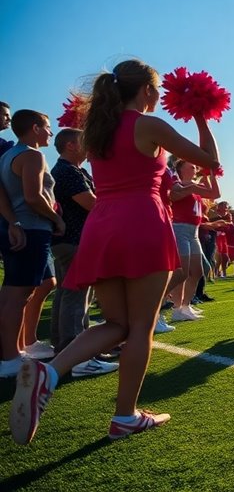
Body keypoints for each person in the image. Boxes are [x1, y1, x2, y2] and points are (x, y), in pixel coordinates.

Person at [9, 59, 219, 444]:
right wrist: (202, 118)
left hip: (102, 227)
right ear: (146, 91)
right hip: (142, 223)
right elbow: (211, 163)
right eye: (155, 91)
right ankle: (125, 416)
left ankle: (50, 373)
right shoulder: (147, 124)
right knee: (140, 327)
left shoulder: (96, 130)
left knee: (116, 324)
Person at [0, 110, 65, 379]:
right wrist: (56, 220)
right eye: (48, 127)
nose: (51, 132)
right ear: (36, 128)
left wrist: (13, 223)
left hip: (20, 227)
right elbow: (33, 196)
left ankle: (14, 351)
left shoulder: (7, 155)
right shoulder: (32, 155)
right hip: (32, 229)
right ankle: (11, 359)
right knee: (19, 296)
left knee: (12, 295)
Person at [49, 127, 117, 377]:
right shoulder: (67, 171)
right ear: (70, 145)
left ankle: (66, 350)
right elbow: (92, 203)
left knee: (68, 295)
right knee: (77, 297)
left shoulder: (71, 170)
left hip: (72, 240)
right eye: (83, 142)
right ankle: (75, 355)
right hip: (75, 240)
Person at [168, 160, 219, 321]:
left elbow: (215, 194)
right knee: (182, 272)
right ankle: (176, 309)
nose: (195, 168)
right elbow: (175, 196)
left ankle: (185, 305)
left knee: (197, 271)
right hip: (179, 228)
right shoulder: (177, 183)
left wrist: (212, 174)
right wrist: (195, 185)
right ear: (180, 168)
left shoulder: (195, 189)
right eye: (191, 166)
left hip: (194, 232)